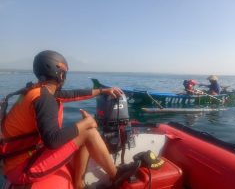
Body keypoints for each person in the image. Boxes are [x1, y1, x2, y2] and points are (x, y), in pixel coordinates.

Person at [2, 50, 138, 189]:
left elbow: (73, 94)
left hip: (18, 161)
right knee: (89, 131)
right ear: (60, 73)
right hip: (21, 168)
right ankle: (116, 176)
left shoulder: (38, 91)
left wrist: (102, 91)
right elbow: (52, 141)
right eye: (64, 73)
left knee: (84, 131)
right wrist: (86, 122)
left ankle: (79, 184)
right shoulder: (44, 99)